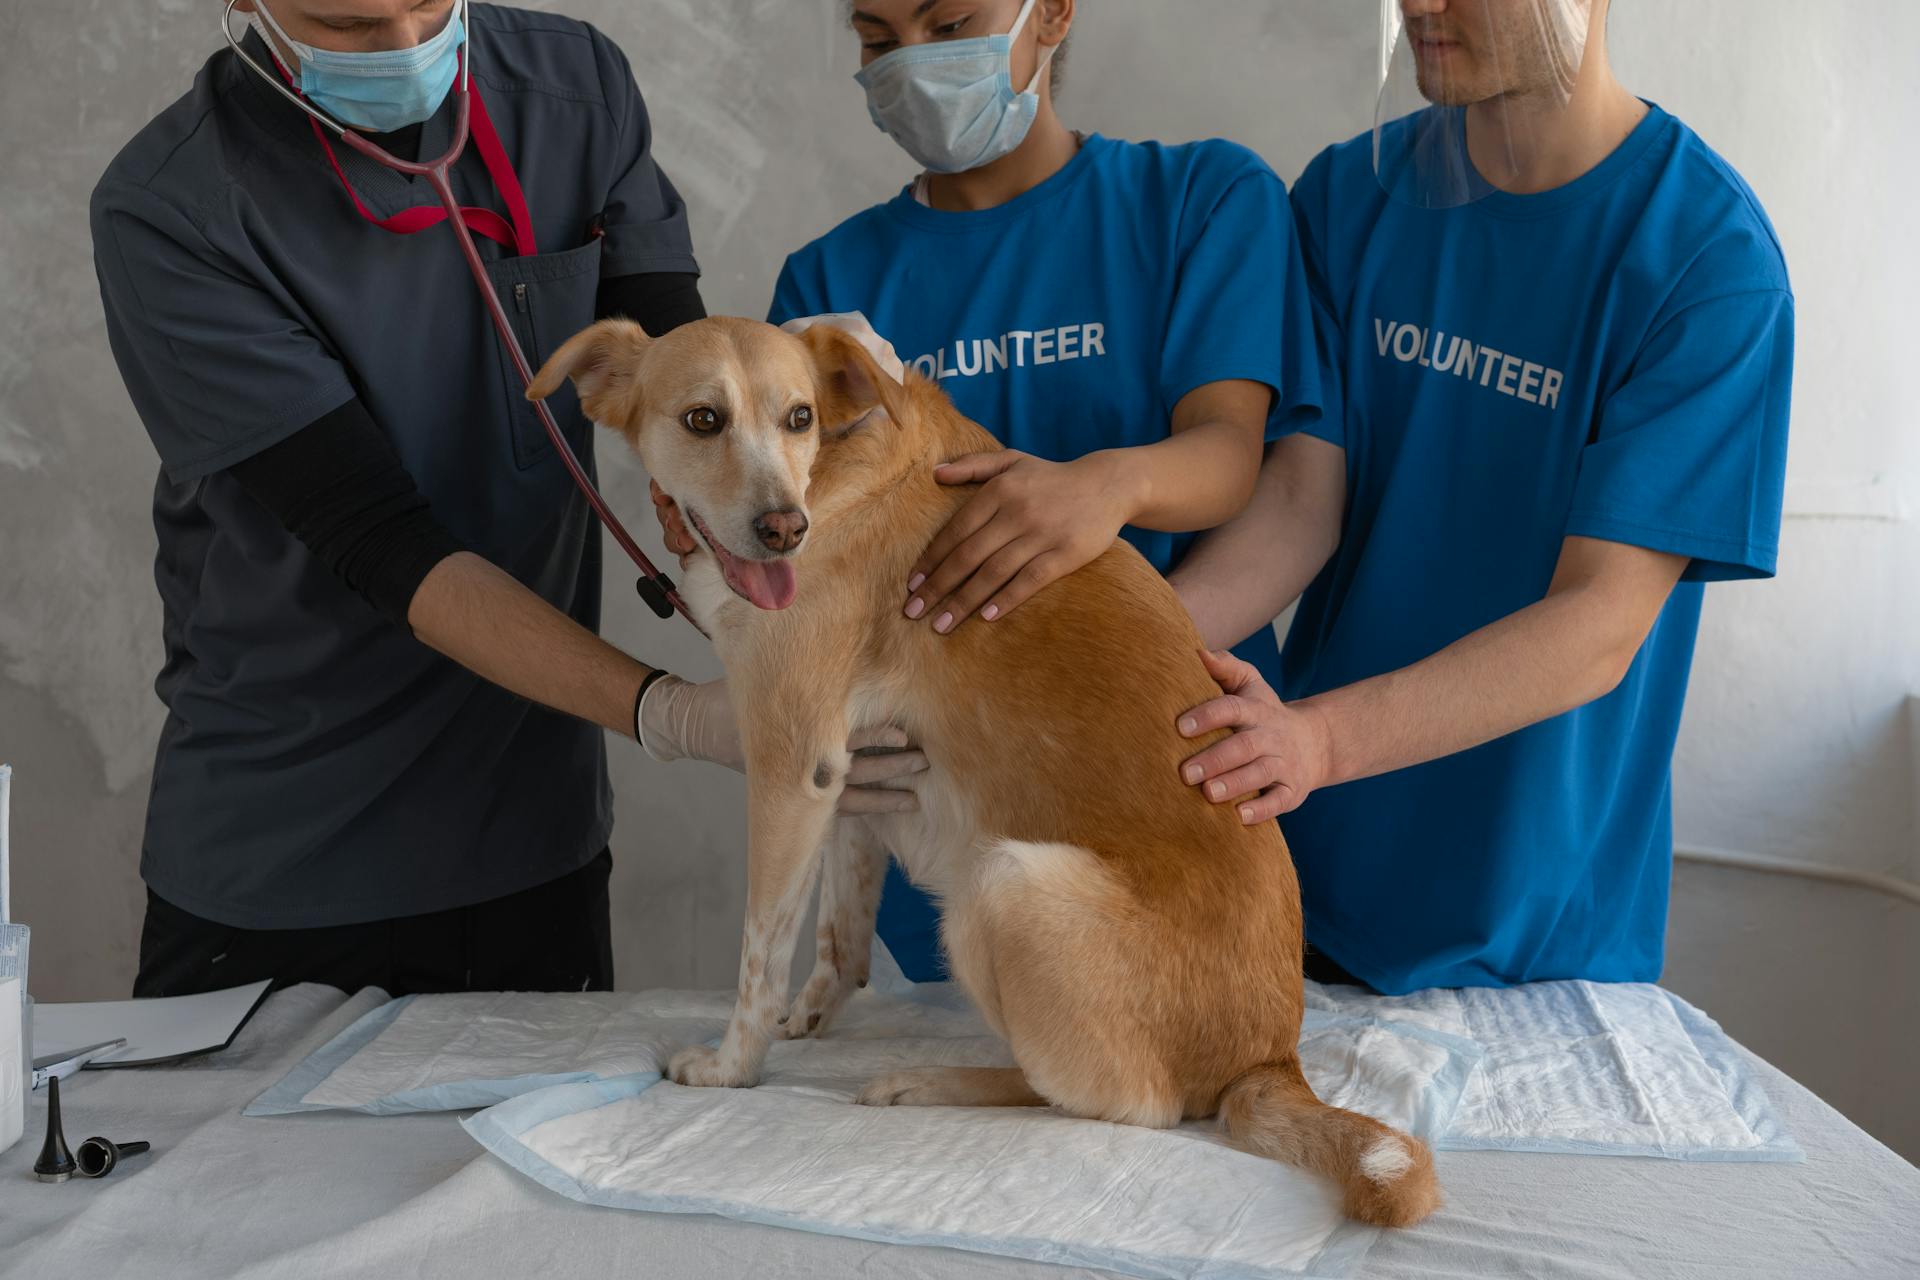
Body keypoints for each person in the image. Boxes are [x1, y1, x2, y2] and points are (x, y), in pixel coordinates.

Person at [92, 0, 920, 999]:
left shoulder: (574, 92)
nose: (406, 49)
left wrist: (768, 435)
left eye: (426, 7)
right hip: (294, 849)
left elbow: (677, 376)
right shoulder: (173, 205)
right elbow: (381, 539)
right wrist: (675, 715)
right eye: (349, 27)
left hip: (534, 831)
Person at [660, 0, 1324, 980]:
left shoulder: (1201, 199)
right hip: (943, 838)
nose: (911, 64)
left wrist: (1111, 486)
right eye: (879, 40)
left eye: (950, 22)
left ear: (1051, 13)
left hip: (1165, 781)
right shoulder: (827, 289)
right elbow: (792, 554)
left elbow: (1232, 458)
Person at [1168, 0, 1793, 994]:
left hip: (1538, 946)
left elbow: (1598, 620)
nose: (1419, 5)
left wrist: (1320, 736)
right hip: (1307, 887)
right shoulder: (1347, 197)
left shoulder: (1707, 261)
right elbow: (1296, 510)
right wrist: (1095, 660)